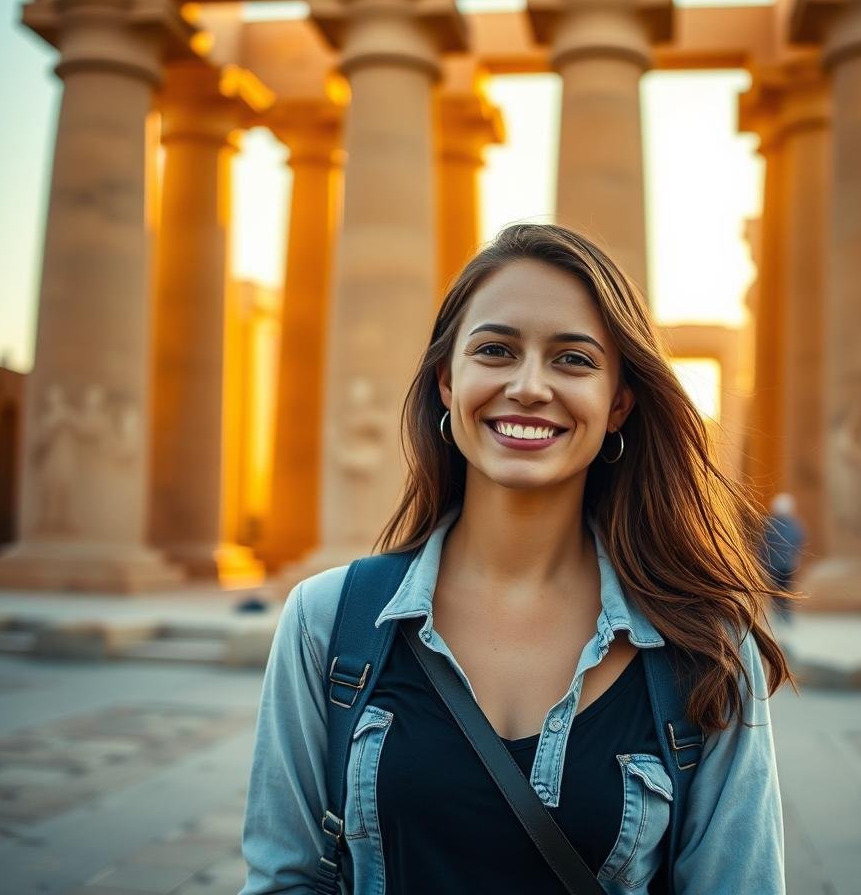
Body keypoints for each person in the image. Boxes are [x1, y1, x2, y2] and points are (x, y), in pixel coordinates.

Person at [240, 223, 793, 895]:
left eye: (573, 360)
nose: (530, 386)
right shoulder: (328, 621)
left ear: (619, 403)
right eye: (497, 350)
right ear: (447, 381)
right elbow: (284, 880)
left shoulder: (707, 645)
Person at [758, 492, 805, 623]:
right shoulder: (793, 524)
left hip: (775, 564)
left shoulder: (770, 524)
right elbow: (798, 542)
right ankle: (784, 613)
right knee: (785, 589)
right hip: (786, 564)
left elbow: (763, 545)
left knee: (778, 589)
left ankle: (782, 613)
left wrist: (761, 561)